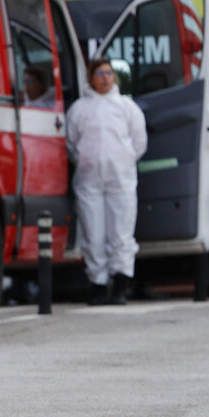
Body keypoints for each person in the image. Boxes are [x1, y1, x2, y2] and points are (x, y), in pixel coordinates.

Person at [66, 58, 147, 305]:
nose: (104, 78)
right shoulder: (79, 109)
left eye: (109, 73)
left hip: (120, 179)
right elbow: (71, 144)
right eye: (99, 73)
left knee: (121, 232)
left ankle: (120, 284)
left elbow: (139, 142)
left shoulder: (127, 107)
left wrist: (123, 160)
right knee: (93, 233)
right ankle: (98, 285)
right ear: (91, 77)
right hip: (89, 180)